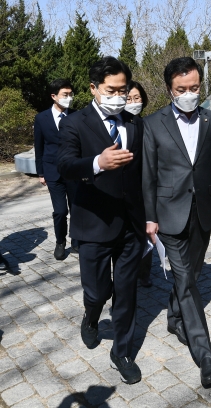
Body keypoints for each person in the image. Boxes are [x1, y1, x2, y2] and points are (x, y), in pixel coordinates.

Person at [142, 57, 211, 387]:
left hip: (202, 213)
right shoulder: (153, 124)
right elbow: (149, 175)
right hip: (169, 214)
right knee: (187, 281)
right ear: (169, 89)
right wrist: (150, 217)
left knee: (192, 275)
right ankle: (205, 354)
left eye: (194, 88)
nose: (188, 94)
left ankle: (174, 318)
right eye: (181, 89)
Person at [57, 57, 146, 385]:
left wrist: (151, 217)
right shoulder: (75, 123)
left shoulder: (135, 123)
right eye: (111, 90)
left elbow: (143, 172)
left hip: (131, 225)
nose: (119, 97)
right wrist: (97, 162)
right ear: (94, 88)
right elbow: (65, 165)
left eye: (124, 90)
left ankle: (121, 351)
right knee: (98, 291)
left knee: (126, 292)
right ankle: (91, 317)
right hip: (93, 223)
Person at [34, 79, 78, 260]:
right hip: (52, 171)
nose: (69, 98)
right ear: (54, 96)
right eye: (65, 95)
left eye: (70, 94)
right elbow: (39, 146)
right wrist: (41, 172)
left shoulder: (77, 115)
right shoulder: (41, 118)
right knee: (60, 211)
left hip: (75, 170)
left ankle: (77, 240)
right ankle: (60, 241)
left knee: (76, 207)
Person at [125, 80, 152, 288]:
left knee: (145, 234)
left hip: (146, 188)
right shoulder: (119, 125)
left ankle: (144, 272)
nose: (134, 102)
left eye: (137, 98)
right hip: (125, 189)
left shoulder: (148, 124)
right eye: (129, 99)